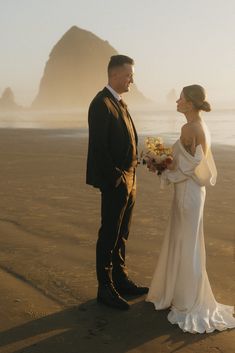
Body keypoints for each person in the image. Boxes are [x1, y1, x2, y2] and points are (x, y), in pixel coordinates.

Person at [146, 84, 235, 333]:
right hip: (197, 193)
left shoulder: (188, 128)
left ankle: (185, 300)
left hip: (187, 194)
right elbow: (192, 164)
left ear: (190, 104)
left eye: (181, 98)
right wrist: (164, 163)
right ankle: (182, 293)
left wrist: (159, 164)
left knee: (184, 242)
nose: (177, 101)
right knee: (190, 242)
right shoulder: (203, 126)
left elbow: (183, 168)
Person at [86, 55, 148, 310]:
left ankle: (120, 279)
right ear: (114, 76)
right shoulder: (101, 103)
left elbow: (125, 139)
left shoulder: (119, 102)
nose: (132, 80)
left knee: (123, 232)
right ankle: (105, 288)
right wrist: (117, 178)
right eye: (128, 75)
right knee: (109, 232)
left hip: (131, 177)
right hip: (117, 180)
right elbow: (99, 147)